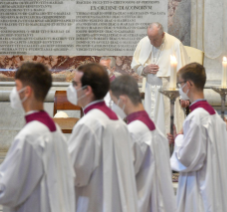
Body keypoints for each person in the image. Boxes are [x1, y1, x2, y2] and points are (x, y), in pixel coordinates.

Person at [0, 62, 75, 212]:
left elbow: (8, 189)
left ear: (26, 91)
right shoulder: (55, 131)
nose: (14, 92)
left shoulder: (30, 136)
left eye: (16, 86)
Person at [67, 63, 138, 212]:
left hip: (94, 203)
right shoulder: (119, 122)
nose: (71, 88)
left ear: (87, 90)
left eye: (75, 84)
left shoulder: (88, 124)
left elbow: (74, 173)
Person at [168, 63, 227, 212]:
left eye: (180, 83)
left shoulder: (196, 117)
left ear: (189, 84)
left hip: (199, 189)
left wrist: (179, 138)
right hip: (216, 188)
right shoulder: (216, 117)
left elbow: (187, 158)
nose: (179, 89)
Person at [109, 75, 176, 212]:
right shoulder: (155, 129)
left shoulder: (133, 132)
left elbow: (121, 179)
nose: (112, 106)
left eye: (113, 102)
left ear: (123, 100)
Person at [131, 22, 190, 134]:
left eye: (155, 39)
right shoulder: (144, 42)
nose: (152, 43)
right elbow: (135, 64)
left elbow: (185, 72)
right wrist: (144, 70)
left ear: (162, 35)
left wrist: (185, 96)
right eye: (150, 39)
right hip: (149, 89)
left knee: (167, 124)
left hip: (168, 91)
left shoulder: (175, 44)